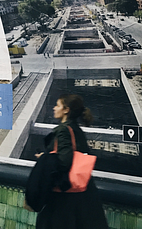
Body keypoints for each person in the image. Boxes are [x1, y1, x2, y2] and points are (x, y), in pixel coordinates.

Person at [35, 94, 108, 229]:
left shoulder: (63, 130)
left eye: (57, 105)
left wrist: (44, 158)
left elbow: (64, 161)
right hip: (83, 193)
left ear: (66, 110)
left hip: (64, 196)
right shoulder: (76, 129)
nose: (54, 108)